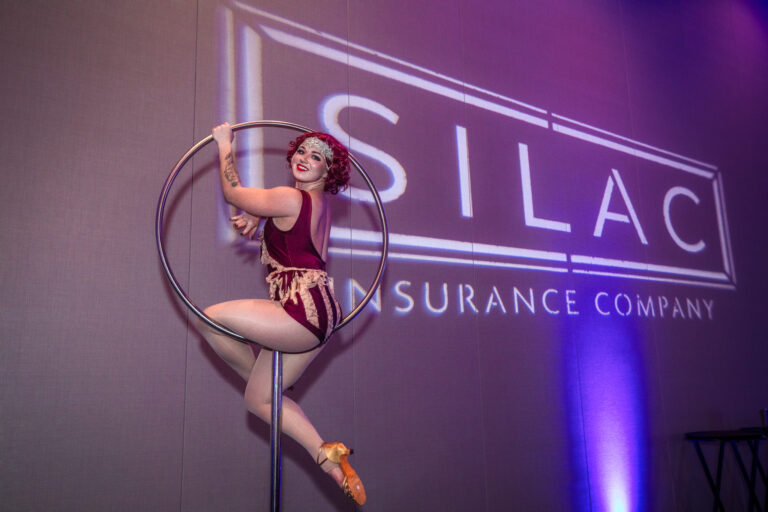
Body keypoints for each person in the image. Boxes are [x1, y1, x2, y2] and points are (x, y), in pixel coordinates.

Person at [196, 122, 365, 505]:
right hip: (315, 313)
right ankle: (329, 458)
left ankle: (272, 379)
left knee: (211, 317)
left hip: (301, 309)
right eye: (302, 152)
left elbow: (233, 191)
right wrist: (261, 220)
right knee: (260, 401)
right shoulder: (316, 206)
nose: (306, 160)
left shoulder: (291, 198)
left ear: (328, 170)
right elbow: (293, 239)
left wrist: (225, 144)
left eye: (317, 157)